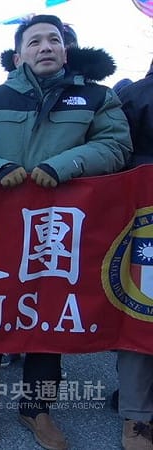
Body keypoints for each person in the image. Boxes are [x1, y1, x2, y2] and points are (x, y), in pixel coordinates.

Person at [0, 15, 131, 450]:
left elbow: (115, 145)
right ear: (19, 55)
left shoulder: (96, 96)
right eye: (35, 41)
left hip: (59, 227)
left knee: (48, 309)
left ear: (65, 49)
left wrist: (65, 165)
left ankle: (38, 408)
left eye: (54, 40)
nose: (46, 47)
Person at [117, 58, 153, 450]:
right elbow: (118, 156)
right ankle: (137, 416)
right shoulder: (137, 96)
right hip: (146, 225)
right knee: (143, 314)